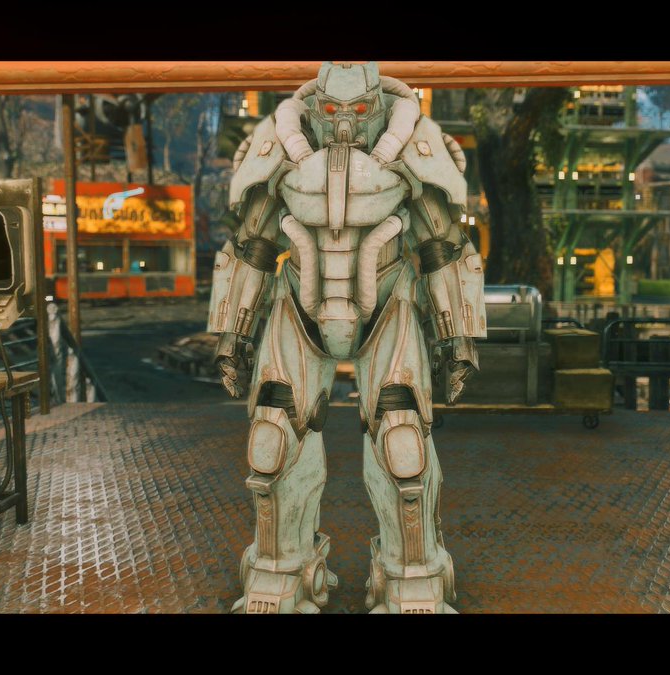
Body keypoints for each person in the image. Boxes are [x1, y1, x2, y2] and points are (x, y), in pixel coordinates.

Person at [207, 62, 486, 613]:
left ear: (378, 107)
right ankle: (279, 568)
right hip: (298, 302)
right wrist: (231, 336)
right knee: (272, 436)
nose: (343, 123)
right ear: (313, 109)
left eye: (358, 111)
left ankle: (412, 575)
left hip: (388, 302)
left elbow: (443, 247)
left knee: (402, 443)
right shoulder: (281, 143)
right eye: (332, 111)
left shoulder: (412, 144)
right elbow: (251, 245)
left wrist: (458, 341)